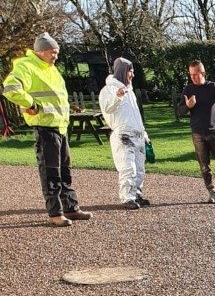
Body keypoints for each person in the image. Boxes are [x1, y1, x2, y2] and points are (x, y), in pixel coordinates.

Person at [1, 33, 92, 227]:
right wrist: (30, 103)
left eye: (57, 52)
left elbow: (56, 97)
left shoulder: (52, 69)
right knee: (51, 172)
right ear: (41, 51)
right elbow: (10, 88)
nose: (56, 56)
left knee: (65, 171)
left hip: (60, 126)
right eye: (53, 52)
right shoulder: (26, 66)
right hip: (44, 127)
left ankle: (71, 208)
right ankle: (55, 213)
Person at [179, 60, 215, 204]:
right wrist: (187, 106)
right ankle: (211, 193)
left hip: (214, 131)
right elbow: (179, 112)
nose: (193, 77)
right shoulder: (188, 90)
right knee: (204, 165)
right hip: (197, 133)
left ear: (202, 73)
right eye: (191, 75)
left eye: (196, 74)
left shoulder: (212, 87)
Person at [99, 57, 150, 209]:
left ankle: (136, 194)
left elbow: (135, 114)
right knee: (128, 166)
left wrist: (144, 132)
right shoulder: (109, 90)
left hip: (137, 134)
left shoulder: (130, 91)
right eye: (130, 71)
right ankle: (127, 197)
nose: (132, 74)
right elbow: (107, 108)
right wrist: (118, 97)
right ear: (122, 71)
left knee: (140, 168)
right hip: (123, 134)